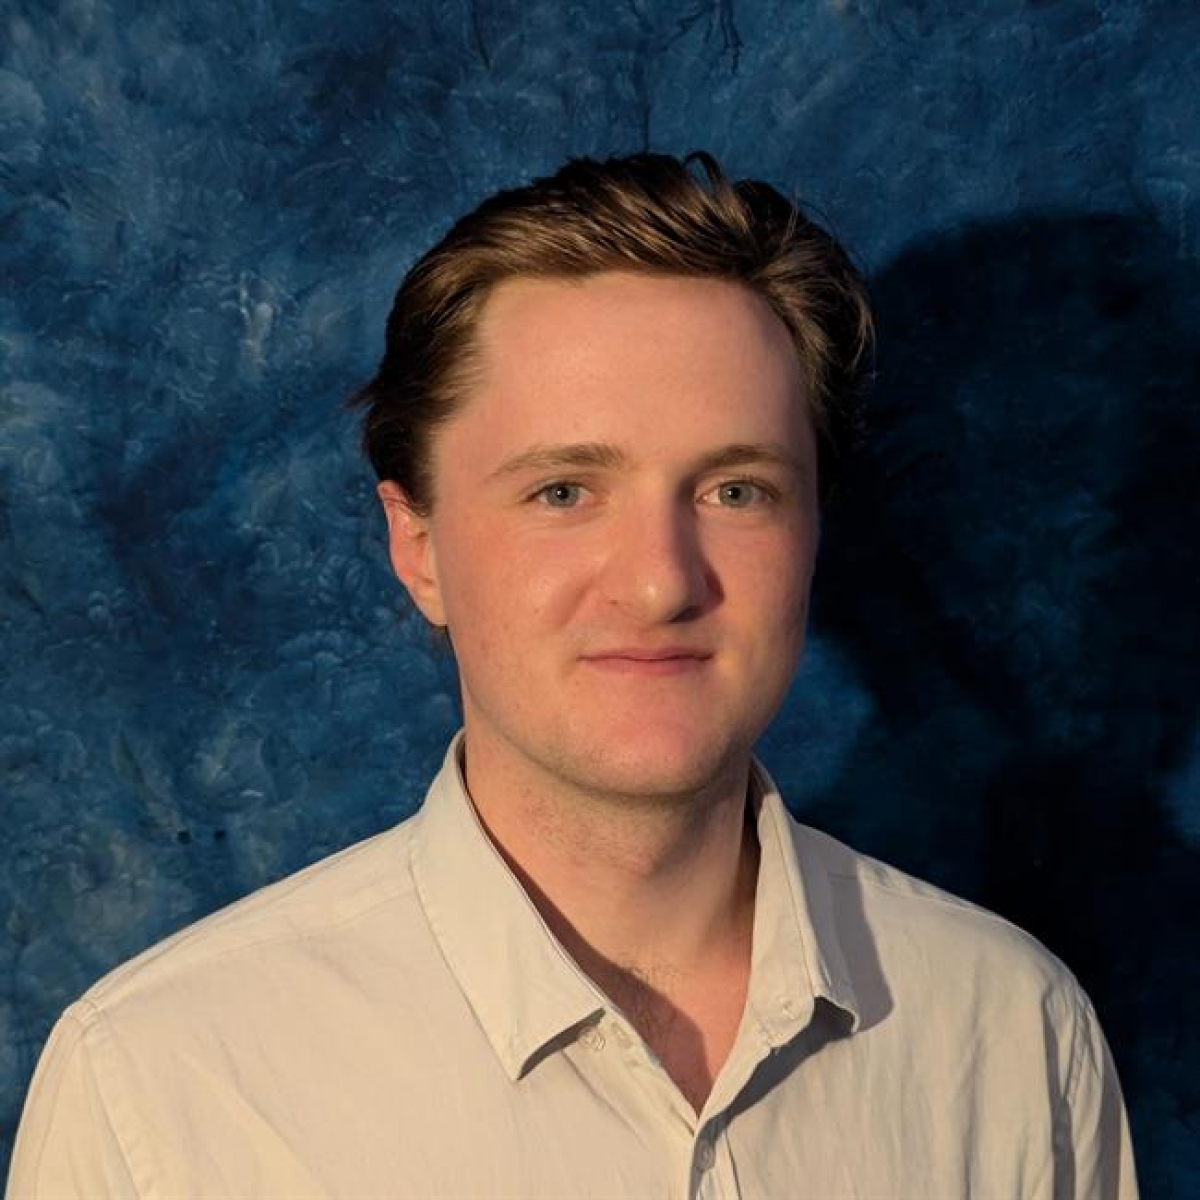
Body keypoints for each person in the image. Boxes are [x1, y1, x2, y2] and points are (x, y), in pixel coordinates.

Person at [8, 152, 1137, 1199]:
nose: (660, 582)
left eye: (735, 490)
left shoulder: (1009, 1030)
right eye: (564, 491)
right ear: (418, 547)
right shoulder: (162, 1087)